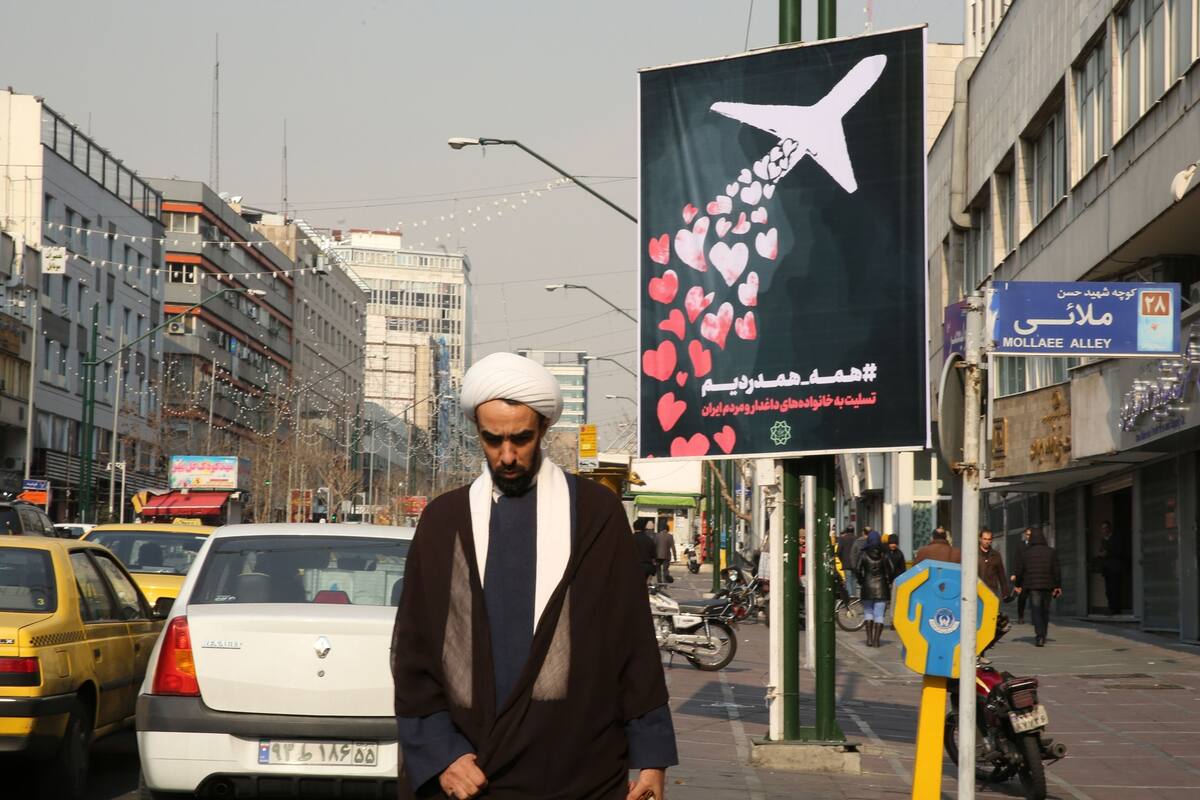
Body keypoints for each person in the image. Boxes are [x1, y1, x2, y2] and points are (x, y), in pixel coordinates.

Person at [392, 352, 677, 800]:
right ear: (478, 433)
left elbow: (632, 640)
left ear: (543, 428)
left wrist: (651, 755)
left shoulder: (594, 514)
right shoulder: (444, 521)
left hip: (579, 771)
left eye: (520, 439)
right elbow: (413, 653)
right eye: (493, 440)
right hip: (469, 776)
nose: (507, 455)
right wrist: (441, 752)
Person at [1012, 528, 1062, 647]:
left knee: (1036, 611)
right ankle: (1043, 634)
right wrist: (1058, 586)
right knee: (1045, 610)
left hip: (1033, 586)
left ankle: (1039, 636)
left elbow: (1020, 571)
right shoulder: (1051, 552)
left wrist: (1017, 585)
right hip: (1048, 586)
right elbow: (1056, 571)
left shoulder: (1026, 553)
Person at [855, 531, 895, 647]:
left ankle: (869, 639)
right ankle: (877, 640)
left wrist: (861, 580)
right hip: (882, 588)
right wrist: (888, 580)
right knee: (879, 615)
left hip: (867, 587)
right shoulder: (884, 554)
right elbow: (892, 569)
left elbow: (857, 569)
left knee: (868, 612)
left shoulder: (863, 554)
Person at [1098, 520, 1124, 616]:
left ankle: (1116, 609)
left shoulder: (1116, 538)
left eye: (1105, 528)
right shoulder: (1103, 540)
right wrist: (1100, 555)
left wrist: (1107, 553)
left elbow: (1119, 551)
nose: (1103, 530)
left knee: (1115, 589)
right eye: (1102, 528)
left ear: (1109, 528)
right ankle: (1111, 608)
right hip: (1106, 568)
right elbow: (1101, 551)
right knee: (1108, 590)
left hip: (1115, 568)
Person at [977, 528, 1010, 600]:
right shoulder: (974, 554)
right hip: (977, 591)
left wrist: (1005, 592)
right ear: (980, 539)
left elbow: (1001, 575)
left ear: (991, 540)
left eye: (989, 539)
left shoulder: (996, 555)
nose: (987, 541)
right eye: (985, 539)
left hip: (991, 590)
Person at [1009, 527, 1033, 623]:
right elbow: (1016, 560)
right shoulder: (1020, 545)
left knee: (1034, 598)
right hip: (1022, 576)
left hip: (1032, 576)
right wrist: (1015, 573)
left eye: (1030, 535)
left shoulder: (1035, 546)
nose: (1029, 536)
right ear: (1025, 535)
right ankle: (1020, 617)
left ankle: (1034, 618)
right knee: (1022, 597)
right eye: (1027, 534)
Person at [633, 517, 658, 584]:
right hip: (647, 567)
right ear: (644, 528)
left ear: (634, 527)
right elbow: (653, 556)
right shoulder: (649, 540)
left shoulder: (629, 539)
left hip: (633, 567)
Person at [836, 526, 857, 596]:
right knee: (854, 580)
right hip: (855, 563)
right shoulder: (856, 539)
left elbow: (838, 551)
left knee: (848, 581)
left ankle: (850, 597)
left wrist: (842, 560)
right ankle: (854, 596)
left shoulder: (843, 539)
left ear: (847, 531)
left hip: (846, 563)